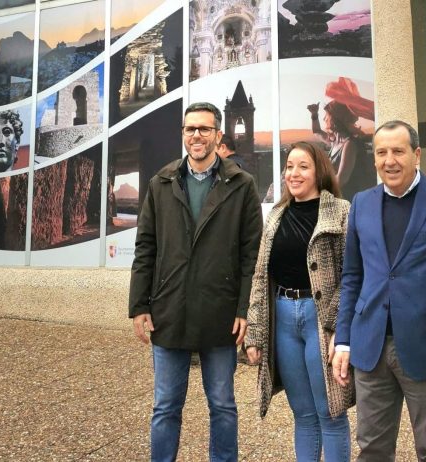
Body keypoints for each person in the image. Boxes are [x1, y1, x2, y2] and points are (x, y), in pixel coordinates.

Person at [332, 120, 426, 461]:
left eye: (398, 151)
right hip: (371, 349)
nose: (389, 160)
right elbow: (352, 276)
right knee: (372, 450)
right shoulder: (361, 204)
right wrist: (343, 339)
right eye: (381, 152)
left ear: (417, 155)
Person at [129, 101, 263, 462]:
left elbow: (252, 256)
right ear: (183, 134)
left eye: (204, 129)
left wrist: (244, 309)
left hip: (220, 313)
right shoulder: (162, 182)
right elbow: (146, 248)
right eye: (190, 129)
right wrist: (140, 305)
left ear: (219, 135)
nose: (196, 135)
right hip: (169, 310)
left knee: (222, 404)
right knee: (165, 406)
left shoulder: (242, 185)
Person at [245, 141, 354, 461]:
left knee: (330, 411)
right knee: (303, 414)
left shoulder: (341, 211)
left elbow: (352, 275)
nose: (294, 173)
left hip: (320, 321)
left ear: (319, 170)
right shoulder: (276, 215)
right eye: (289, 166)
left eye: (302, 166)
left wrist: (338, 327)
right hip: (283, 318)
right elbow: (261, 277)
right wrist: (254, 331)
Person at [308, 79, 375, 201]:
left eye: (327, 115)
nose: (324, 119)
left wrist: (315, 193)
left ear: (336, 118)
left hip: (350, 202)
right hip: (338, 199)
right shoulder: (335, 141)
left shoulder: (349, 145)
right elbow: (317, 132)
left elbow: (341, 180)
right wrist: (314, 115)